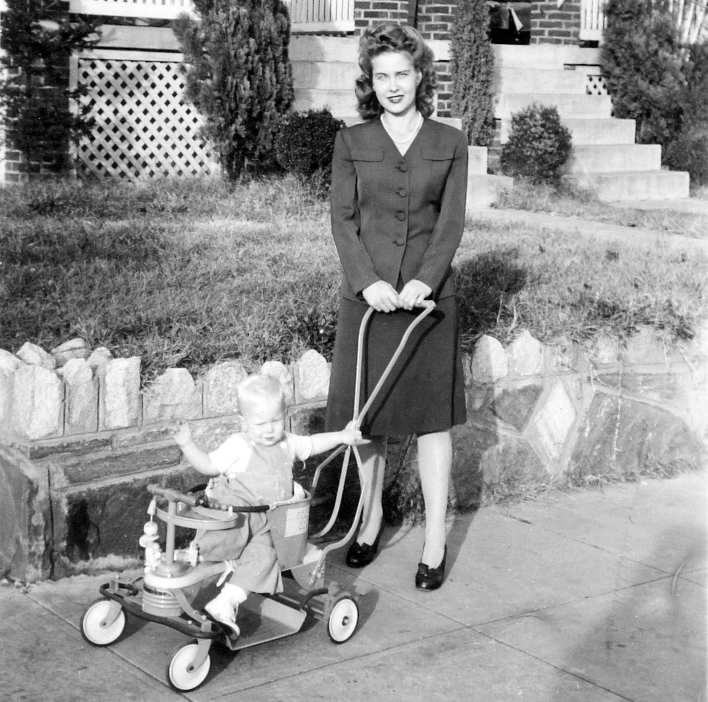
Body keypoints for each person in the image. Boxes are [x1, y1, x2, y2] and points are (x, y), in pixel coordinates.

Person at [326, 22, 468, 591]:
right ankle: (371, 518)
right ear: (371, 81)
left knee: (433, 424)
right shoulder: (351, 142)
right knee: (370, 420)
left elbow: (451, 223)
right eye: (381, 75)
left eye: (401, 74)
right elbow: (342, 222)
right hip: (370, 303)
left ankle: (434, 541)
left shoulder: (449, 142)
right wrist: (368, 284)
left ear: (419, 77)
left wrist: (426, 281)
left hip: (429, 305)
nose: (391, 85)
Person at [171, 374, 364, 637]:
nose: (270, 429)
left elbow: (313, 443)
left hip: (269, 522)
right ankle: (195, 554)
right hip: (239, 512)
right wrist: (187, 444)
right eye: (260, 423)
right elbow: (209, 466)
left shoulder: (287, 442)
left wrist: (343, 436)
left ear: (284, 415)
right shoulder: (240, 444)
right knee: (227, 537)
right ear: (244, 422)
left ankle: (225, 602)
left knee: (265, 556)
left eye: (275, 420)